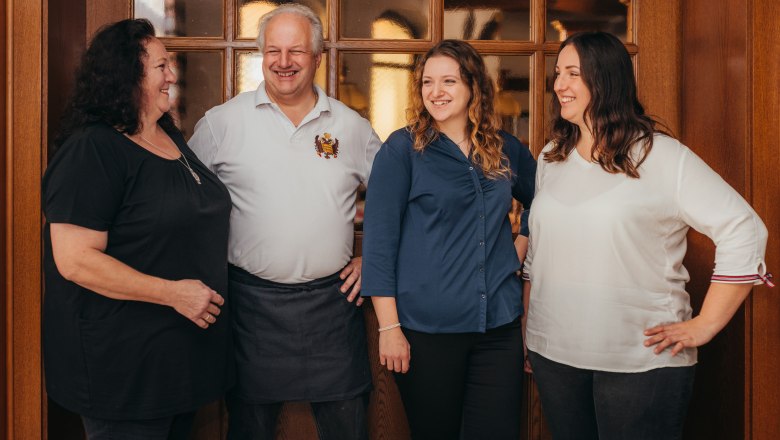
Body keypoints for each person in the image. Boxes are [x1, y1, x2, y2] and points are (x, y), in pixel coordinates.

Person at [523, 31, 772, 440]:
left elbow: (742, 228)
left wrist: (706, 324)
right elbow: (541, 249)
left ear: (605, 80)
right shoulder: (552, 157)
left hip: (641, 361)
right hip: (554, 356)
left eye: (572, 73)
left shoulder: (662, 156)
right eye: (557, 74)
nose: (558, 85)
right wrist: (530, 327)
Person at [188, 4, 381, 440]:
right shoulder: (221, 124)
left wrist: (374, 258)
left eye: (296, 50)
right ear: (260, 55)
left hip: (333, 306)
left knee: (348, 427)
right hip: (251, 305)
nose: (283, 61)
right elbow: (185, 206)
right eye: (273, 50)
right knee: (249, 428)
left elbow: (397, 200)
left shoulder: (351, 128)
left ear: (317, 56)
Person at [42, 19, 233, 440]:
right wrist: (173, 293)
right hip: (122, 369)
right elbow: (75, 261)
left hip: (177, 362)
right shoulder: (92, 149)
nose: (172, 74)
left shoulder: (166, 134)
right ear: (127, 74)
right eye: (161, 66)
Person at [361, 39, 536, 440]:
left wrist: (522, 241)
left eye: (449, 81)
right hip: (427, 333)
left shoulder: (506, 148)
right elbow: (379, 243)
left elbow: (546, 202)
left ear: (474, 87)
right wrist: (389, 328)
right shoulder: (402, 150)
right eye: (427, 82)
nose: (435, 92)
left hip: (499, 328)